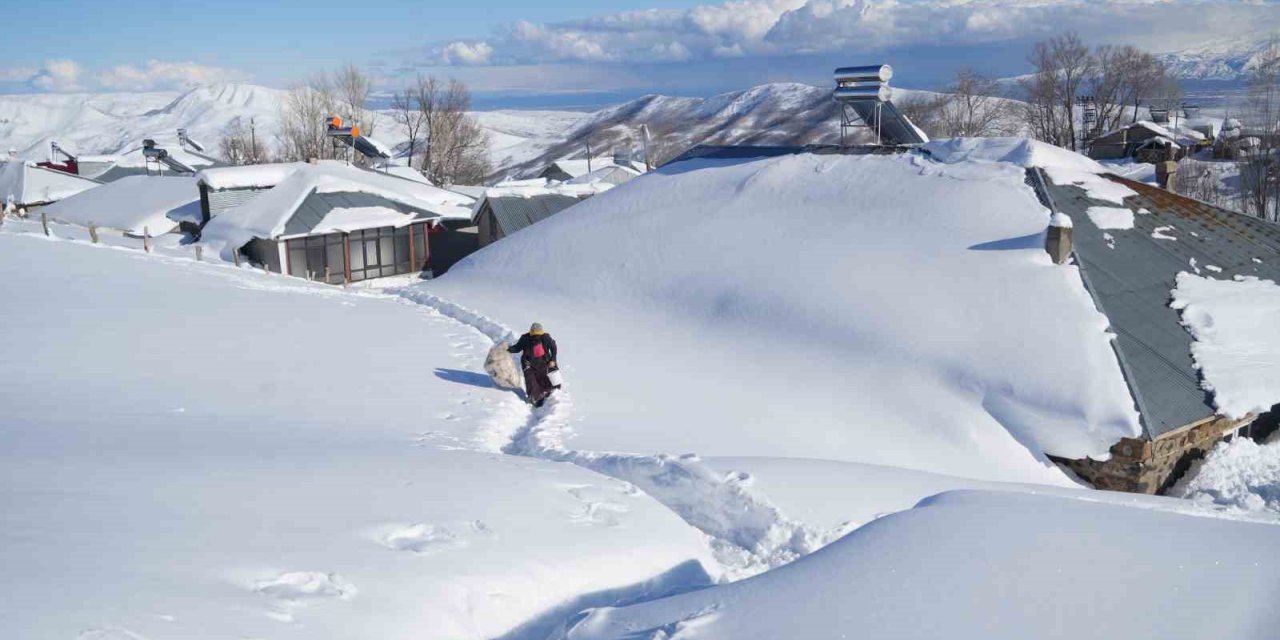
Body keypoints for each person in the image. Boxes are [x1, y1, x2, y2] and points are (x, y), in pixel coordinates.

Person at [508, 322, 558, 407]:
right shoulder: (525, 338)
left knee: (544, 377)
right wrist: (507, 349)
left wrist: (553, 360)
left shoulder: (546, 337)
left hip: (543, 361)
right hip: (528, 362)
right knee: (530, 380)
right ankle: (535, 398)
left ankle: (546, 395)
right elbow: (517, 348)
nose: (536, 337)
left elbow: (553, 347)